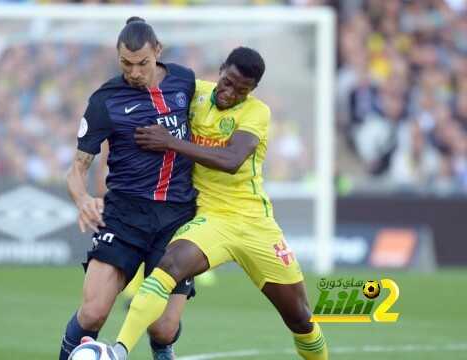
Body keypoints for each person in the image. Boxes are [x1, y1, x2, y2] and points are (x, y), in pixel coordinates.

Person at [111, 47, 329, 360]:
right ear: (221, 69)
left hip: (255, 223)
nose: (230, 93)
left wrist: (171, 142)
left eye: (242, 90)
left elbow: (230, 160)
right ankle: (117, 351)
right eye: (227, 82)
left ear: (252, 90)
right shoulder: (193, 93)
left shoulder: (257, 112)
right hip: (212, 219)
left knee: (300, 318)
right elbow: (148, 76)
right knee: (169, 264)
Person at [59, 17, 197, 360]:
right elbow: (77, 168)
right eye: (126, 63)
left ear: (158, 52)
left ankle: (163, 349)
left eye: (142, 63)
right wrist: (82, 199)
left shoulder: (185, 81)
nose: (134, 72)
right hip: (123, 215)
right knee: (93, 312)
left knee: (162, 328)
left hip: (176, 218)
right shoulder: (105, 100)